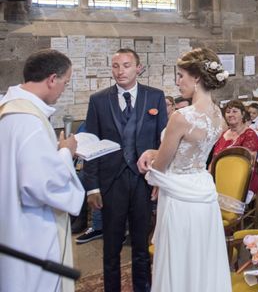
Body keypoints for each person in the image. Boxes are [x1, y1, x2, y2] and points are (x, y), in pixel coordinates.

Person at [136, 48, 231, 292]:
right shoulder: (218, 116)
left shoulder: (182, 117)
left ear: (197, 77)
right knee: (202, 253)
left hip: (179, 196)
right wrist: (155, 154)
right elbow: (190, 154)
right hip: (202, 191)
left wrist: (150, 160)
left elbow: (162, 165)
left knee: (178, 256)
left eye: (181, 76)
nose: (178, 82)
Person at [83, 48, 168, 292]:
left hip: (143, 181)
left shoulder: (155, 97)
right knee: (111, 246)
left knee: (141, 245)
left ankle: (143, 288)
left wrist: (158, 181)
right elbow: (90, 145)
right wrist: (93, 187)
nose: (120, 71)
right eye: (116, 66)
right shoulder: (99, 100)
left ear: (138, 68)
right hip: (111, 183)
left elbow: (162, 143)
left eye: (126, 65)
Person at [0, 49, 84, 292]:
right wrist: (66, 152)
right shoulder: (29, 122)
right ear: (52, 79)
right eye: (65, 83)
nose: (63, 89)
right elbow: (41, 184)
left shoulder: (8, 108)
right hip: (29, 229)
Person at [212, 99, 258, 194]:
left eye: (235, 111)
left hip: (241, 177)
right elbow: (214, 159)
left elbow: (250, 162)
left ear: (242, 114)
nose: (230, 114)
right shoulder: (223, 134)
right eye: (228, 112)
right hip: (218, 174)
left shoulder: (249, 134)